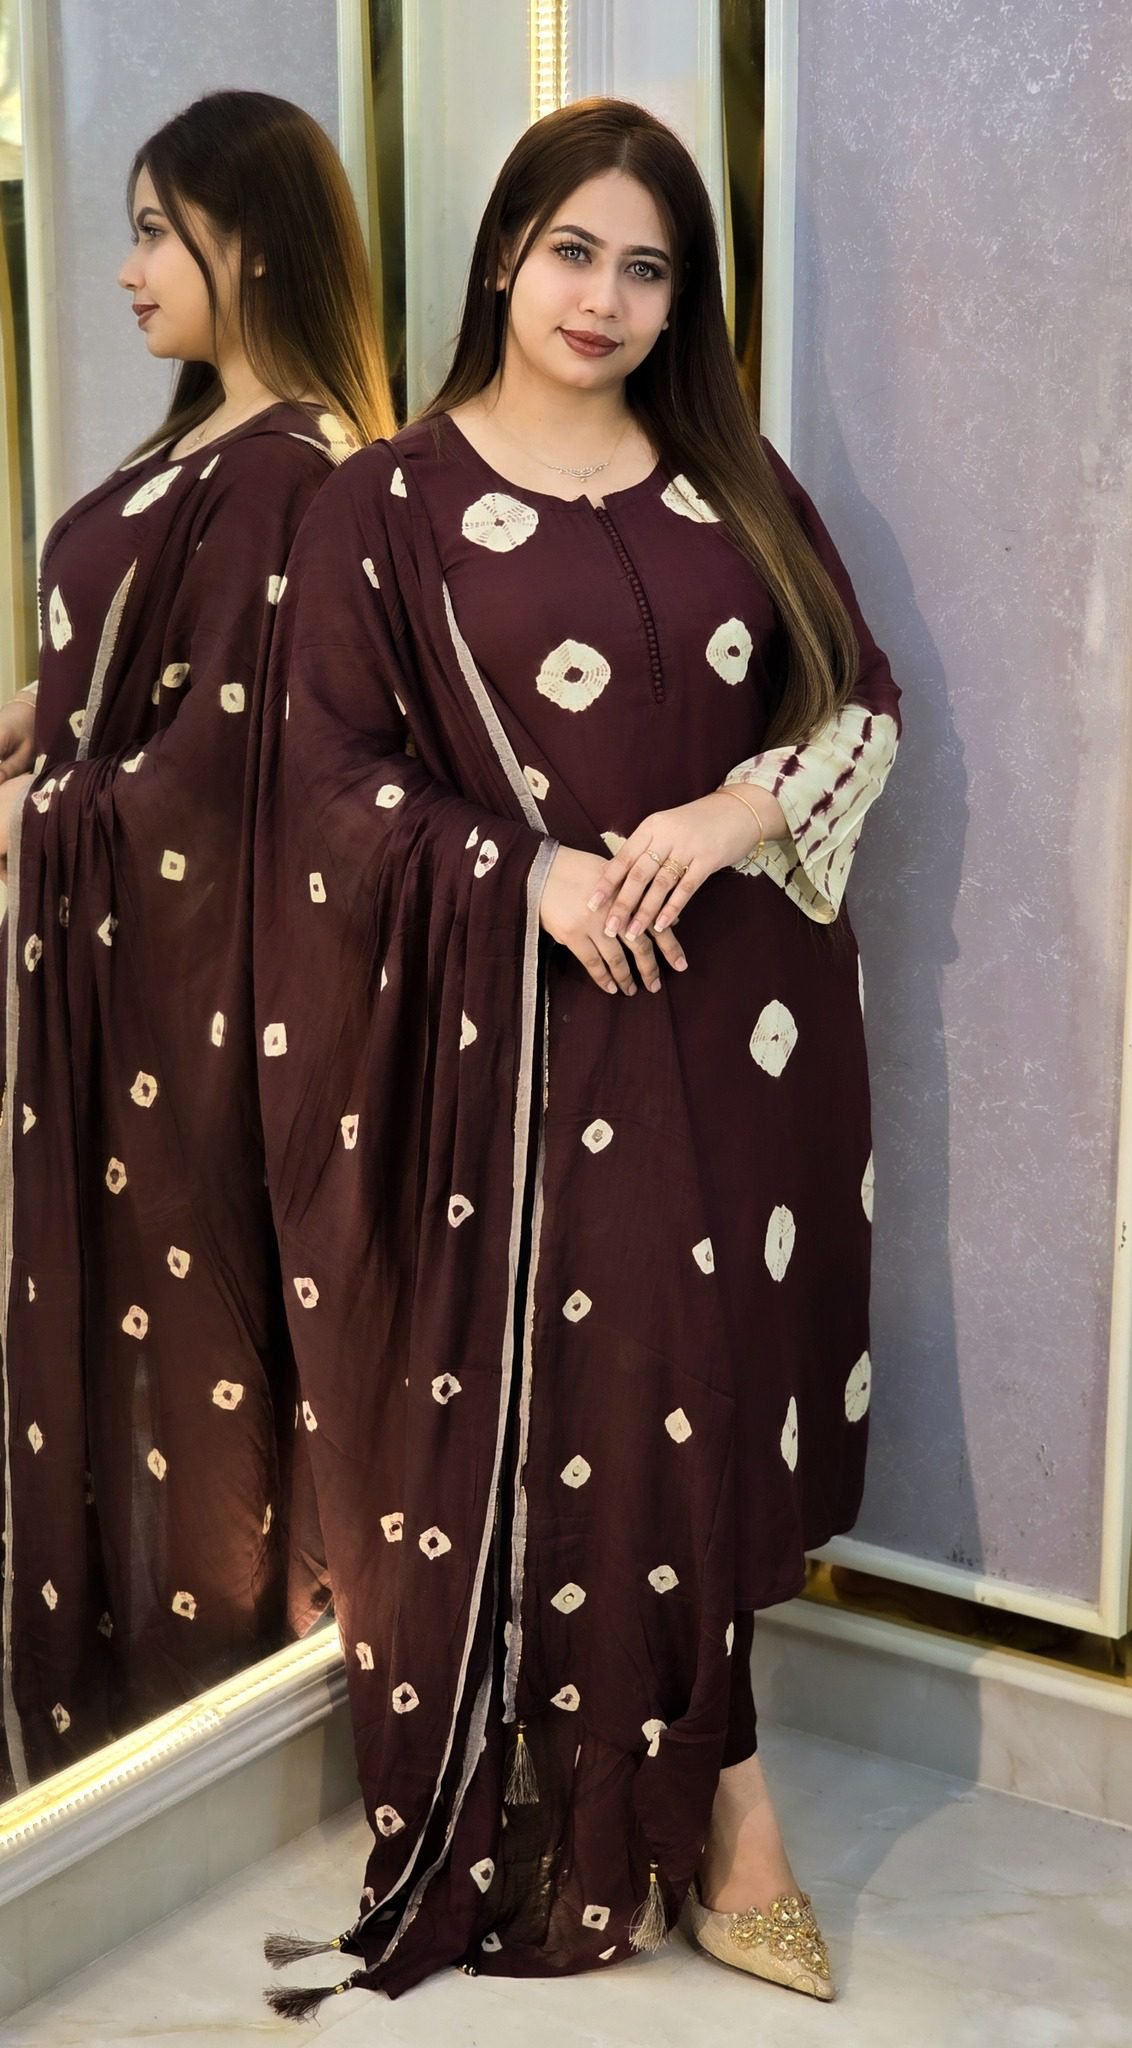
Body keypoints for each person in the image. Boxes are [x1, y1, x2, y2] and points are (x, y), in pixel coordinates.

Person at [255, 96, 898, 2019]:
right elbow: (328, 779)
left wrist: (733, 809)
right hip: (529, 1042)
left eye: (647, 268)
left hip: (741, 1023)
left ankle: (699, 1781)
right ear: (501, 254)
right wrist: (524, 875)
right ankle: (724, 1810)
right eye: (570, 251)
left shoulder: (733, 480)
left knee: (717, 1385)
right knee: (616, 1390)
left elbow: (857, 701)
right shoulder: (385, 505)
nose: (602, 298)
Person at [0, 89, 394, 1792]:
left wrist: (32, 819)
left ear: (258, 243)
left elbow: (227, 783)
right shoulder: (203, 444)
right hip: (123, 978)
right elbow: (139, 683)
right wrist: (41, 722)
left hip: (192, 996)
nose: (125, 267)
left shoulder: (288, 465)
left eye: (159, 230)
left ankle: (189, 1721)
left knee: (188, 1330)